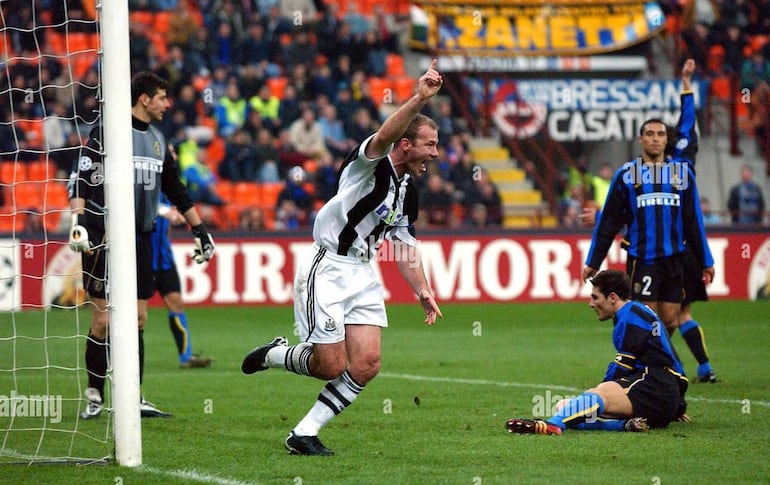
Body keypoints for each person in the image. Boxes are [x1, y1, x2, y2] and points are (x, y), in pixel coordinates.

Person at [240, 60, 445, 456]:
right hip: (329, 266)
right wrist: (420, 96)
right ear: (406, 144)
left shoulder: (408, 190)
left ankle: (304, 432)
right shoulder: (367, 166)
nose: (434, 154)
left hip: (364, 273)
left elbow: (403, 244)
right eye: (429, 145)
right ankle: (275, 354)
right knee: (330, 365)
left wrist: (422, 289)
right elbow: (385, 134)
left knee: (367, 362)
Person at [68, 71, 216, 420]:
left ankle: (133, 396)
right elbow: (83, 179)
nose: (168, 103)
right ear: (144, 99)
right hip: (103, 235)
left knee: (136, 318)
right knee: (103, 319)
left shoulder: (158, 140)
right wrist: (79, 226)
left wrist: (200, 229)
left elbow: (176, 188)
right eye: (162, 97)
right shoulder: (107, 132)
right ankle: (94, 395)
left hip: (142, 237)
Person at [582, 59, 717, 383]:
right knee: (646, 316)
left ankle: (659, 365)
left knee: (670, 319)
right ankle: (664, 371)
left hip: (674, 259)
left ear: (665, 140)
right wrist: (593, 260)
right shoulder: (627, 175)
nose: (655, 139)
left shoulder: (681, 173)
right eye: (649, 134)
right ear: (641, 139)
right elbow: (611, 219)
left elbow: (693, 220)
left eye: (660, 134)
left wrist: (705, 260)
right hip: (642, 259)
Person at [506, 270, 689, 435]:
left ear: (612, 297)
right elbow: (675, 361)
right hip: (659, 398)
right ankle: (624, 425)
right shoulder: (638, 312)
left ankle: (551, 426)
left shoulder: (630, 315)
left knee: (594, 398)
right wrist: (678, 406)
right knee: (565, 407)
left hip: (655, 387)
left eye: (595, 298)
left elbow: (621, 367)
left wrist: (599, 391)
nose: (590, 304)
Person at [152, 193, 214, 369]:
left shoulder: (167, 189)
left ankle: (185, 357)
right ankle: (118, 358)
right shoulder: (141, 183)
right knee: (135, 313)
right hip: (141, 258)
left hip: (164, 260)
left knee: (176, 304)